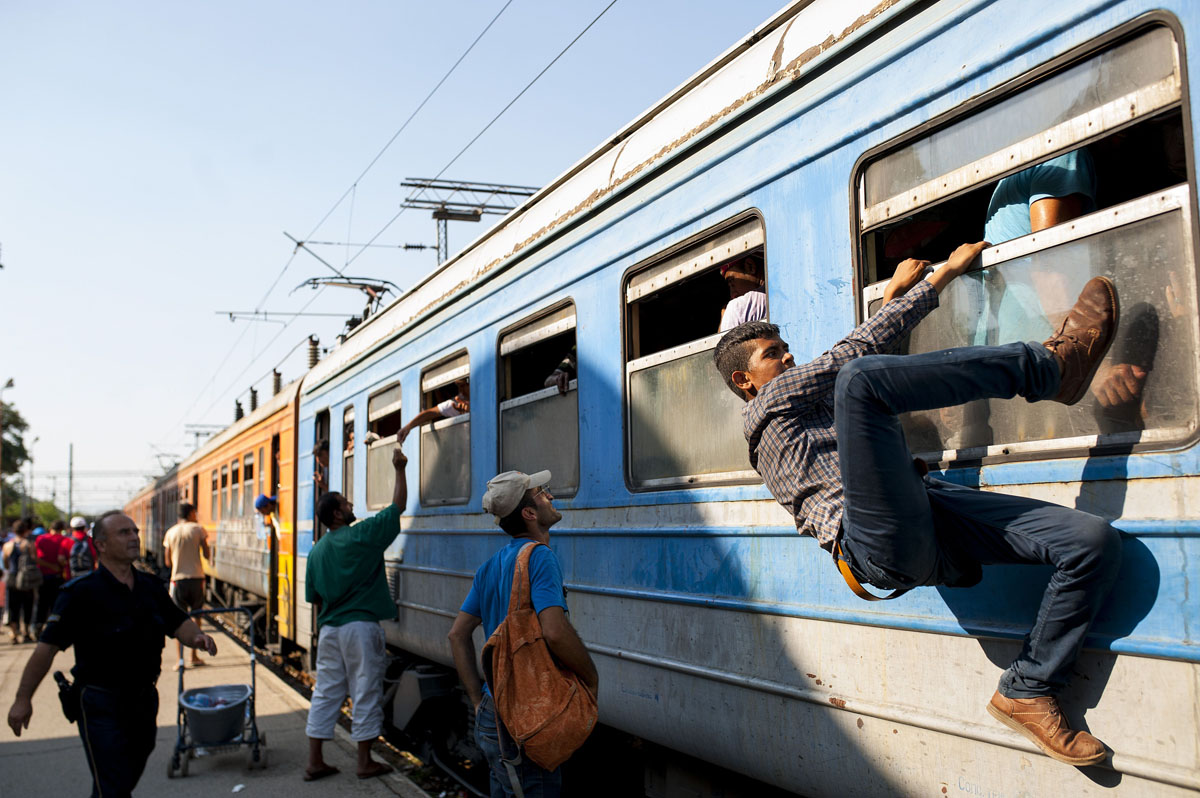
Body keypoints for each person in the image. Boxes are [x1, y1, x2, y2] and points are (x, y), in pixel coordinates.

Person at [713, 241, 1122, 767]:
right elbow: (853, 364)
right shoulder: (768, 409)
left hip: (923, 514)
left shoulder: (803, 404)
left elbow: (887, 378)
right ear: (744, 382)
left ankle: (1028, 688)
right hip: (871, 542)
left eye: (785, 346)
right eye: (774, 354)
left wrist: (891, 301)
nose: (788, 356)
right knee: (858, 379)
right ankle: (1049, 368)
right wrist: (941, 279)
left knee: (1092, 543)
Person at [6, 510, 217, 798]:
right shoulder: (79, 593)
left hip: (143, 699)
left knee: (127, 770)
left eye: (134, 531)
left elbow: (177, 621)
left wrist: (198, 637)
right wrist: (22, 698)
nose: (134, 537)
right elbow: (46, 649)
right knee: (113, 783)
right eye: (124, 532)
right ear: (101, 545)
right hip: (99, 701)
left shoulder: (150, 587)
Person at [448, 470, 599, 797]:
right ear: (530, 514)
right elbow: (555, 632)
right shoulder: (540, 557)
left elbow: (457, 635)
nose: (551, 497)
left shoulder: (489, 567)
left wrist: (477, 700)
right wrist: (591, 678)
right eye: (543, 493)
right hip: (526, 717)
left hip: (492, 714)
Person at [303, 444, 408, 782]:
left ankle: (315, 760)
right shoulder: (361, 535)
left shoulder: (317, 552)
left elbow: (314, 598)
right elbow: (398, 507)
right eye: (346, 504)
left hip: (330, 629)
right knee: (365, 688)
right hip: (361, 628)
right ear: (336, 514)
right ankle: (364, 761)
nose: (351, 507)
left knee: (326, 691)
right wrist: (399, 469)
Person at [162, 502, 210, 669]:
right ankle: (194, 656)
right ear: (190, 514)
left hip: (178, 579)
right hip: (196, 578)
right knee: (197, 617)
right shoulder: (198, 529)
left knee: (179, 620)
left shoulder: (170, 532)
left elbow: (167, 561)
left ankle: (179, 660)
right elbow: (206, 553)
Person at [398, 379, 470, 443]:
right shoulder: (457, 404)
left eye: (463, 386)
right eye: (458, 386)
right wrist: (408, 427)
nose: (461, 391)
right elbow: (430, 413)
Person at [32, 519, 69, 638]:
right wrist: (55, 566)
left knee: (42, 603)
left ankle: (38, 625)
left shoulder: (40, 539)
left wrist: (47, 566)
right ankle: (54, 629)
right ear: (61, 529)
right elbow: (62, 559)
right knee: (56, 604)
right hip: (58, 576)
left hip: (42, 576)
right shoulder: (64, 540)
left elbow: (36, 558)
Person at [2, 520, 37, 643]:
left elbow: (6, 563)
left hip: (12, 577)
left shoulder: (7, 545)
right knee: (28, 605)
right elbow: (34, 560)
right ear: (25, 531)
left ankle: (14, 633)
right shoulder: (29, 544)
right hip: (27, 579)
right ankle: (26, 632)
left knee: (12, 606)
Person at [718, 252, 768, 333]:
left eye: (731, 282)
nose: (732, 294)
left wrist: (725, 316)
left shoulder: (737, 306)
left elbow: (725, 344)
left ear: (750, 266)